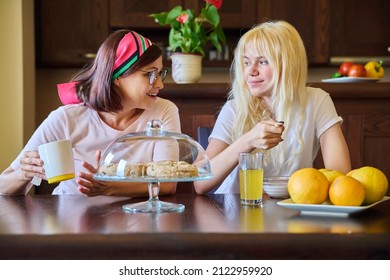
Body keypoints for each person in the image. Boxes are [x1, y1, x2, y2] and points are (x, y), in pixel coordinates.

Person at [0, 29, 181, 196]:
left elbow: (167, 184)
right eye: (150, 74)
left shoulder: (164, 111)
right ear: (117, 76)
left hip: (138, 220)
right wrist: (24, 174)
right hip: (69, 221)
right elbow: (3, 187)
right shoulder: (65, 118)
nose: (159, 84)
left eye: (160, 73)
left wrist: (108, 187)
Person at [194, 20, 351, 195]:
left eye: (262, 62)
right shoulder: (234, 108)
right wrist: (247, 141)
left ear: (288, 64)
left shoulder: (317, 100)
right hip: (235, 211)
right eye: (246, 62)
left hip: (292, 210)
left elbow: (340, 176)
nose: (251, 71)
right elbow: (200, 183)